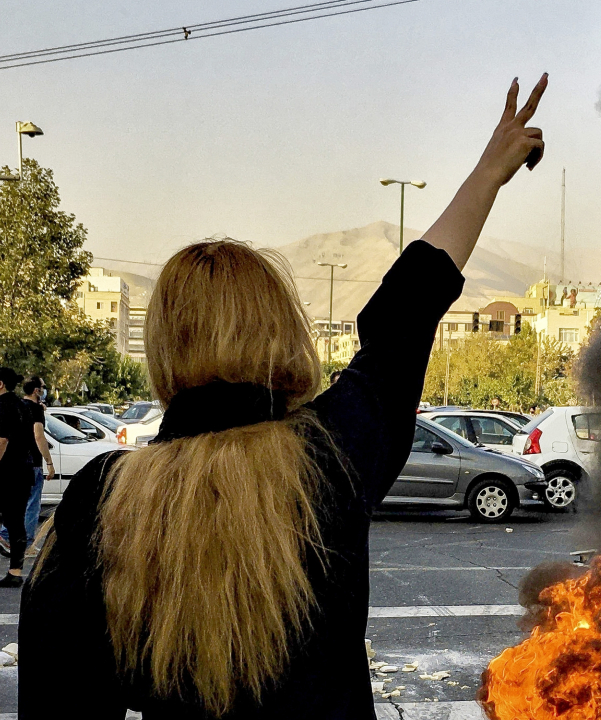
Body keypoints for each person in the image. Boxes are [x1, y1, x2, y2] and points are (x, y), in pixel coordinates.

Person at [20, 74, 548, 717]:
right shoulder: (333, 452)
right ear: (282, 331)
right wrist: (488, 173)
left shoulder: (100, 500)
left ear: (164, 346)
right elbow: (405, 314)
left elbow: (60, 699)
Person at [0, 378, 53, 557]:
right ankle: (26, 544)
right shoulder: (36, 410)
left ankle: (7, 536)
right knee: (31, 505)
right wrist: (49, 462)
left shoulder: (17, 405)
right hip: (32, 463)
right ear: (36, 390)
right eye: (43, 388)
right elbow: (39, 436)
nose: (45, 390)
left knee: (15, 504)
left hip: (13, 462)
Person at [0, 368, 33, 588]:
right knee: (16, 523)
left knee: (13, 522)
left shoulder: (2, 406)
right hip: (23, 471)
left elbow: (2, 440)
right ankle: (15, 571)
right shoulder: (24, 406)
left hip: (6, 473)